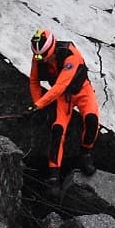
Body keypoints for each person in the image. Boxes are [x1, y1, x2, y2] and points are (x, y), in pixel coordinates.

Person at [27, 29, 100, 191]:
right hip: (63, 98)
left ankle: (85, 154)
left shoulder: (70, 54)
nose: (43, 59)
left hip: (82, 91)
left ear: (52, 47)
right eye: (39, 56)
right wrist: (37, 104)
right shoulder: (38, 58)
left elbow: (61, 85)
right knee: (57, 129)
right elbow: (34, 82)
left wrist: (39, 105)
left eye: (46, 55)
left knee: (91, 119)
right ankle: (54, 176)